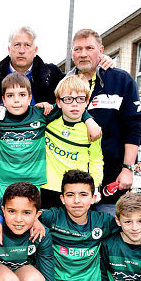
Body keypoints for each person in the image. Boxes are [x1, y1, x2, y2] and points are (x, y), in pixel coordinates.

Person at [68, 29, 141, 214]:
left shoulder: (121, 80)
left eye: (89, 48)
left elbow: (133, 128)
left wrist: (128, 168)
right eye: (78, 49)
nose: (83, 54)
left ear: (101, 50)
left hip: (110, 177)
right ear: (72, 53)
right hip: (71, 177)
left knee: (111, 233)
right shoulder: (64, 83)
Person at [41, 75, 103, 208]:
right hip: (48, 188)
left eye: (80, 99)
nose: (75, 104)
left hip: (75, 191)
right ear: (58, 102)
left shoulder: (92, 130)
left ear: (87, 102)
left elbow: (96, 160)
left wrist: (95, 186)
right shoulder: (47, 123)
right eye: (68, 99)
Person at [0, 26, 65, 106]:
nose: (21, 51)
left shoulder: (52, 74)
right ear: (9, 49)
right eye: (17, 45)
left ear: (35, 50)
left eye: (27, 45)